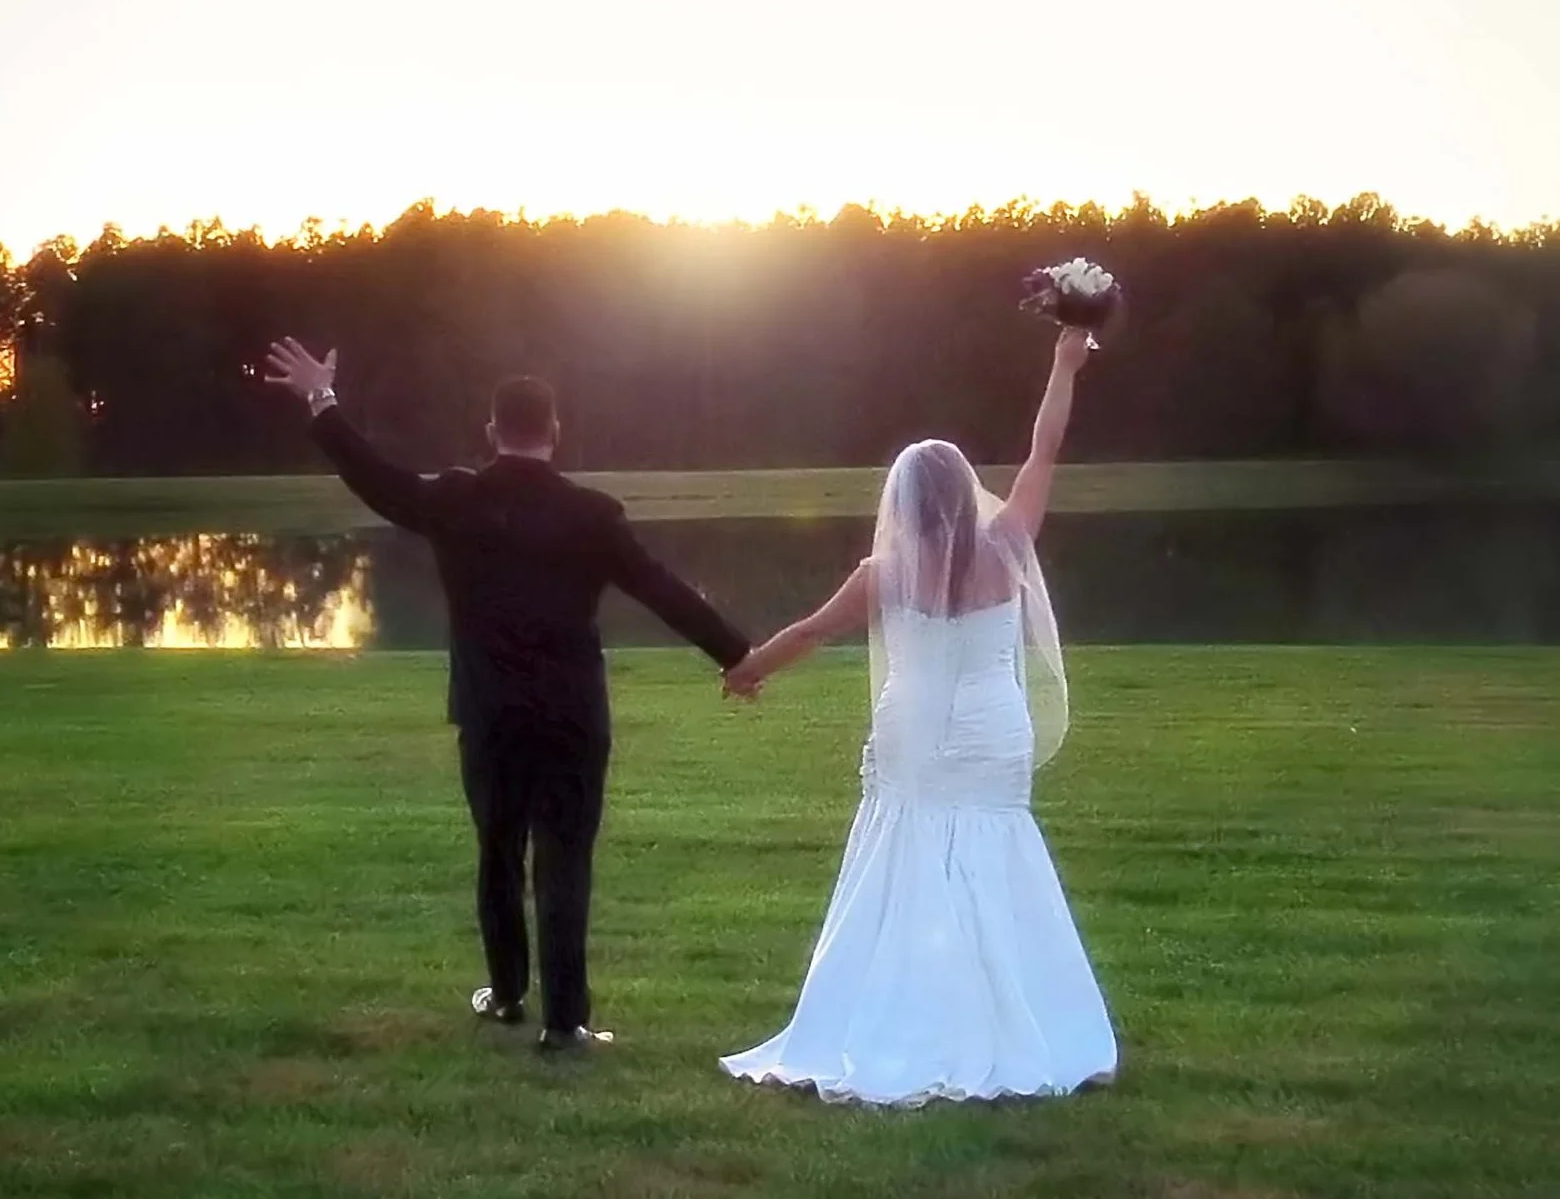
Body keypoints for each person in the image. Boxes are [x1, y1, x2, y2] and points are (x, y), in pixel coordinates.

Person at [260, 338, 750, 1051]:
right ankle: (566, 1023)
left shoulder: (455, 500)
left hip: (489, 715)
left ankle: (508, 996)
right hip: (573, 717)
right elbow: (663, 591)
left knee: (498, 853)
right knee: (565, 862)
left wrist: (322, 399)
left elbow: (373, 477)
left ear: (491, 434)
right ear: (555, 433)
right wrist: (737, 655)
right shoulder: (592, 515)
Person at [718, 327, 1116, 1105]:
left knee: (905, 861)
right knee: (997, 859)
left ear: (901, 504)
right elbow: (1044, 449)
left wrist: (747, 670)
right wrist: (1064, 363)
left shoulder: (885, 573)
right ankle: (1019, 1018)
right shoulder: (1006, 549)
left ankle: (904, 1012)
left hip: (915, 735)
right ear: (966, 493)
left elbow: (810, 631)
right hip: (995, 732)